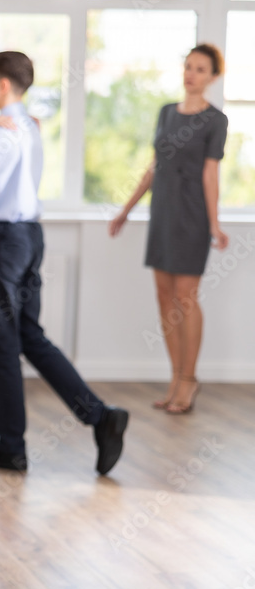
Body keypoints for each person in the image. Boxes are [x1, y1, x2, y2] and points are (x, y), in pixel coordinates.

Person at [0, 51, 128, 474]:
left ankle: (11, 446)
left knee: (3, 345)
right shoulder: (30, 127)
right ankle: (101, 416)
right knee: (28, 337)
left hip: (4, 242)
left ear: (4, 84)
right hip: (29, 237)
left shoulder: (0, 133)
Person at [109, 44, 229, 415]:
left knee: (185, 297)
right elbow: (154, 166)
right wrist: (126, 210)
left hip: (192, 215)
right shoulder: (165, 113)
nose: (191, 73)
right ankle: (175, 377)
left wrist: (214, 224)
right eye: (188, 66)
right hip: (162, 211)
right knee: (164, 296)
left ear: (212, 77)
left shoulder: (216, 121)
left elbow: (211, 174)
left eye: (200, 69)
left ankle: (189, 380)